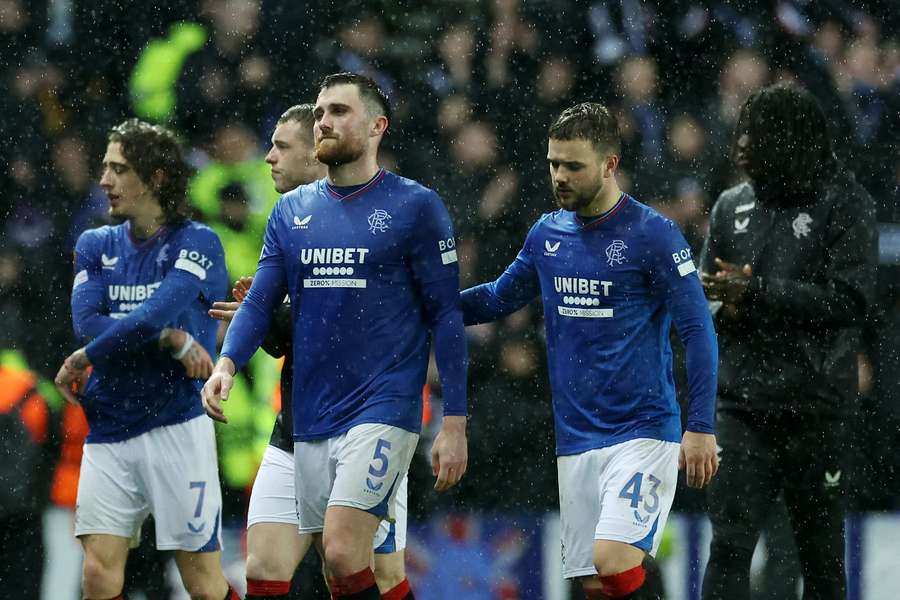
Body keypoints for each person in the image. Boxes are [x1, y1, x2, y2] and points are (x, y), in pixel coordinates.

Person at [201, 73, 468, 600]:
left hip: (381, 411)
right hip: (304, 416)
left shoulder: (416, 208)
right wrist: (227, 363)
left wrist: (454, 421)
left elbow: (448, 316)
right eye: (320, 111)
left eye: (339, 111)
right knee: (264, 570)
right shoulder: (291, 212)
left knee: (348, 557)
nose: (324, 120)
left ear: (376, 126)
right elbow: (260, 301)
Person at [460, 102, 719, 600]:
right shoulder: (547, 234)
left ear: (610, 164)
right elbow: (496, 298)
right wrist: (425, 308)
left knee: (614, 560)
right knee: (593, 583)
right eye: (554, 163)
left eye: (573, 166)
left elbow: (698, 331)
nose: (560, 176)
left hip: (642, 430)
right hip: (576, 435)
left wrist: (701, 426)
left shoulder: (654, 235)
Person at [699, 83, 878, 600]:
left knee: (818, 557)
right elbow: (703, 300)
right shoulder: (730, 205)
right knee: (728, 547)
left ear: (788, 140)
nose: (740, 147)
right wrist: (725, 303)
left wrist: (754, 292)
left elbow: (849, 300)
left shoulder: (846, 204)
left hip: (815, 408)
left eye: (754, 136)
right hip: (742, 407)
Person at [53, 119, 239, 600]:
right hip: (110, 423)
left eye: (119, 168)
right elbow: (86, 323)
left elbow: (162, 305)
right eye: (103, 168)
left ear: (155, 177)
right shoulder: (95, 244)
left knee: (202, 582)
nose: (104, 180)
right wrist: (168, 339)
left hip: (176, 423)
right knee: (97, 574)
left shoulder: (198, 241)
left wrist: (89, 356)